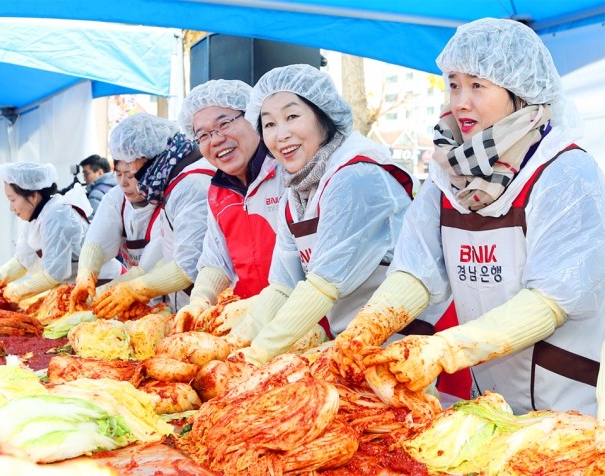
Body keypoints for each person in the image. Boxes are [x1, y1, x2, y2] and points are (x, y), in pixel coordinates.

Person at [333, 18, 605, 416]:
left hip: (556, 412)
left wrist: (445, 349)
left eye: (478, 85)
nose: (460, 101)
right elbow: (417, 269)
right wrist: (360, 335)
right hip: (484, 400)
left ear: (520, 92)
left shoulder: (564, 171)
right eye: (454, 83)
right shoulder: (449, 174)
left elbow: (550, 300)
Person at [224, 63, 417, 365]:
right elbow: (283, 286)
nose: (281, 134)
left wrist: (257, 353)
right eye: (269, 124)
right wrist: (235, 341)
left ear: (323, 117)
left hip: (403, 343)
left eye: (292, 116)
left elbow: (322, 284)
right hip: (351, 346)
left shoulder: (356, 175)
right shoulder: (296, 191)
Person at [172, 79, 285, 332]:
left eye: (223, 124)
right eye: (203, 135)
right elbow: (216, 259)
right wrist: (200, 299)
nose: (216, 139)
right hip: (246, 325)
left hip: (305, 323)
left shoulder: (288, 174)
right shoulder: (218, 192)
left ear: (253, 118)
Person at [91, 113, 216, 317]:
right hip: (185, 305)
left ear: (146, 155)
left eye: (131, 164)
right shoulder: (172, 181)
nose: (130, 172)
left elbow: (187, 267)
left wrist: (134, 289)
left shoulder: (193, 184)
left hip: (205, 306)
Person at [0, 162, 120, 303]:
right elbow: (22, 261)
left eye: (12, 200)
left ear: (33, 196)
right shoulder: (36, 219)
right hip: (76, 287)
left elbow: (54, 274)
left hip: (103, 284)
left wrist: (18, 291)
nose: (11, 208)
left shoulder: (57, 215)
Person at [68, 158, 162, 311]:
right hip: (132, 300)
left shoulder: (168, 198)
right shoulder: (116, 197)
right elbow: (96, 242)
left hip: (171, 298)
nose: (123, 183)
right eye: (118, 174)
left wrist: (102, 293)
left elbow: (149, 268)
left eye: (130, 175)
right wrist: (87, 272)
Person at [80, 154, 117, 219]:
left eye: (86, 174)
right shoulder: (118, 186)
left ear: (100, 172)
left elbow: (90, 223)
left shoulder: (96, 193)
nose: (84, 179)